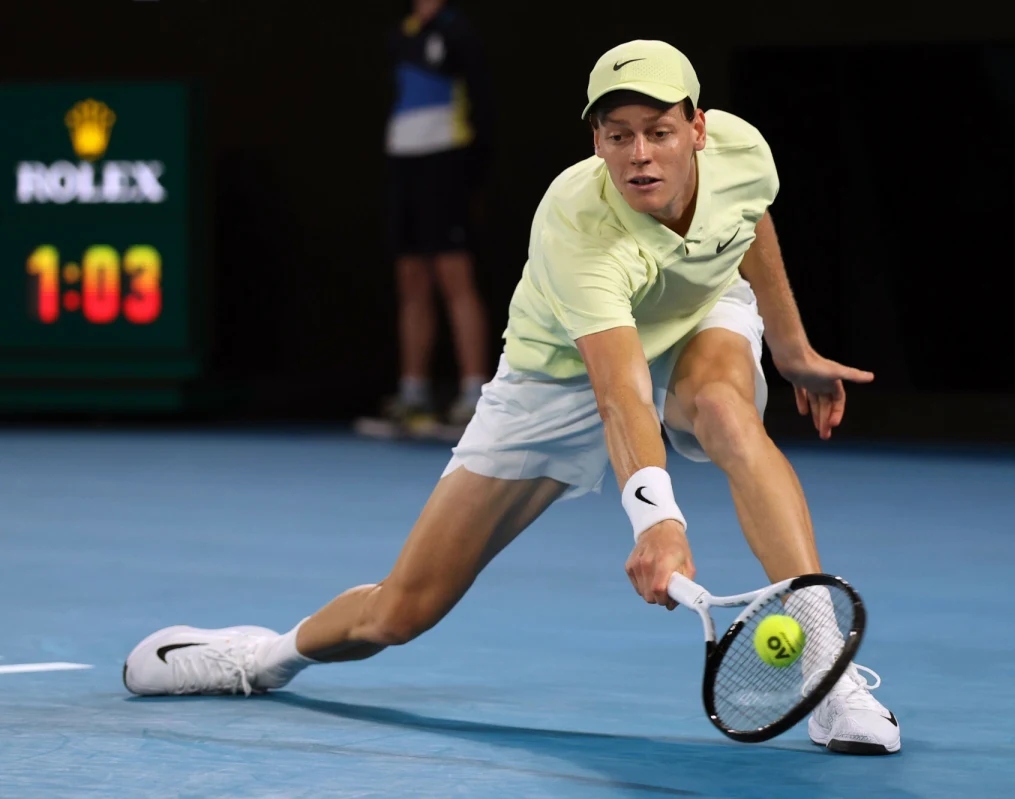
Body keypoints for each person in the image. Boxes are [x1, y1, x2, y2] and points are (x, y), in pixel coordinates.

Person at [124, 40, 901, 755]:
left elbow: (748, 222)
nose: (638, 154)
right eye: (617, 133)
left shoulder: (744, 150)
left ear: (698, 129)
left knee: (730, 414)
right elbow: (620, 390)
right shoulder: (577, 224)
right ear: (595, 140)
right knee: (402, 609)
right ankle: (261, 656)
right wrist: (658, 520)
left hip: (698, 315)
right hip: (559, 377)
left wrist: (791, 349)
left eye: (658, 131)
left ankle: (827, 669)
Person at [382, 0, 494, 433]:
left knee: (454, 276)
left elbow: (482, 102)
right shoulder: (400, 34)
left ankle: (471, 394)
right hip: (403, 165)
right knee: (411, 278)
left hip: (446, 163)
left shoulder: (459, 31)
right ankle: (413, 394)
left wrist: (474, 174)